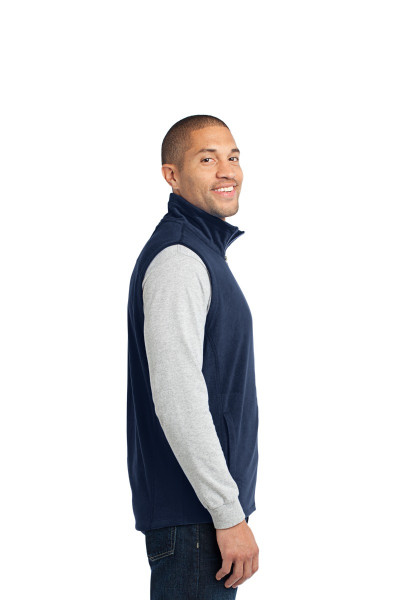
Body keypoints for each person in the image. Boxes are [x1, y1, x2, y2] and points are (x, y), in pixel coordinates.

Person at [127, 115, 260, 598]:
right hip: (196, 523)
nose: (227, 170)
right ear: (172, 175)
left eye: (233, 157)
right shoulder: (181, 259)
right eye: (207, 159)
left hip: (200, 521)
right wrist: (227, 513)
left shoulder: (200, 252)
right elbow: (177, 395)